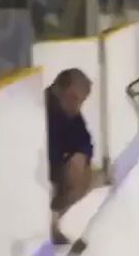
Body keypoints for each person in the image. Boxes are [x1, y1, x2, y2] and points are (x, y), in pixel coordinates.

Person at [45, 68, 93, 244]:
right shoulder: (44, 108)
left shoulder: (69, 112)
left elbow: (85, 140)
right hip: (42, 171)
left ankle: (57, 220)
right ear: (61, 91)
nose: (77, 106)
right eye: (74, 98)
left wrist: (80, 154)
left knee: (82, 171)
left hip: (58, 169)